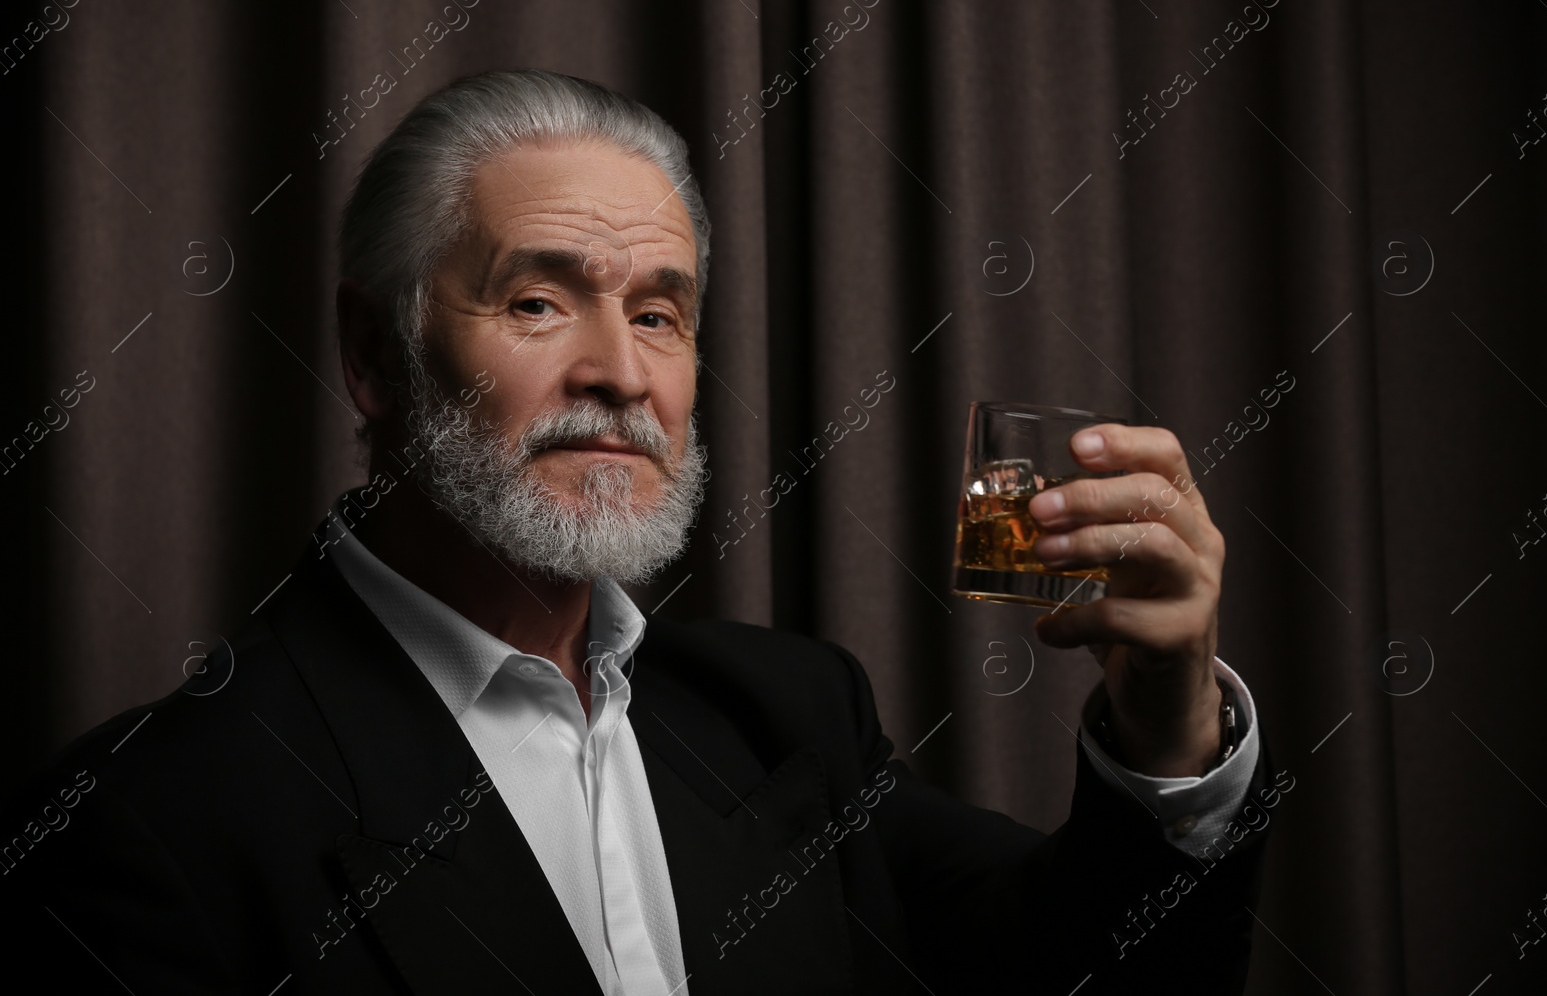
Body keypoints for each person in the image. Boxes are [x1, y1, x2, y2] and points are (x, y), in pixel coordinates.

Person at [0, 69, 1272, 994]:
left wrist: (1168, 728)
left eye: (661, 315)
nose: (619, 371)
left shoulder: (785, 716)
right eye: (540, 299)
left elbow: (1077, 969)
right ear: (374, 354)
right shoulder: (145, 820)